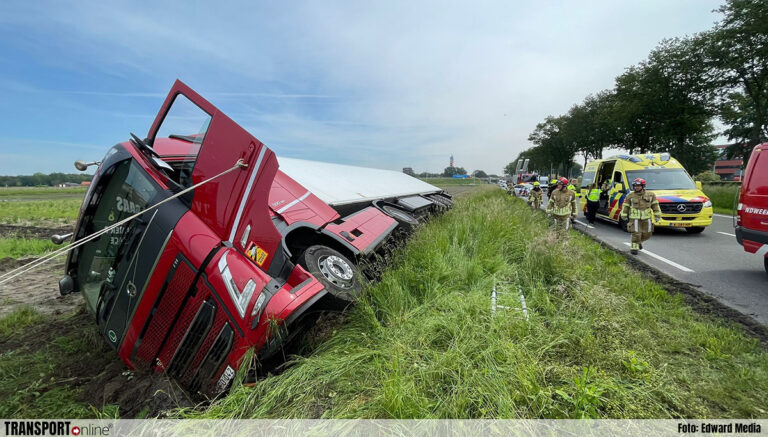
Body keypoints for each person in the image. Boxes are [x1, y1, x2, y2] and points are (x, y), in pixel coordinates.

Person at [620, 178, 661, 255]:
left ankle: (638, 242)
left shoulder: (651, 195)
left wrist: (657, 215)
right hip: (634, 218)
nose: (636, 187)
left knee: (647, 233)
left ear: (643, 186)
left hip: (647, 218)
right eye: (635, 186)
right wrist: (624, 214)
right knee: (636, 233)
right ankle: (634, 247)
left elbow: (655, 205)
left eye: (638, 186)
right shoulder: (630, 196)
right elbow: (626, 206)